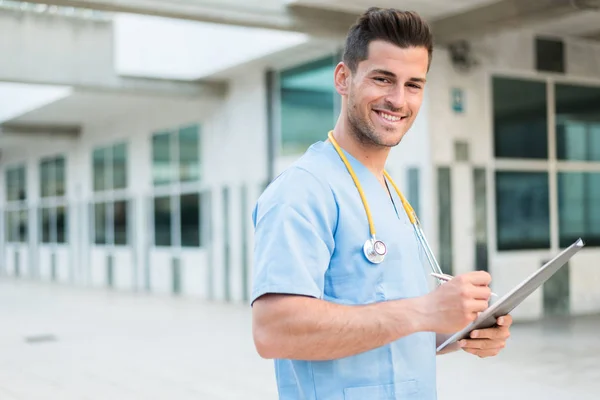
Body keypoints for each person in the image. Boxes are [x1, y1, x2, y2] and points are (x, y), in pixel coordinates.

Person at [250, 7, 512, 400]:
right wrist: (424, 310)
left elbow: (390, 327)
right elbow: (274, 330)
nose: (397, 100)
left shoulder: (391, 193)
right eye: (383, 79)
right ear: (344, 78)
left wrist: (461, 330)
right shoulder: (304, 190)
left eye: (414, 85)